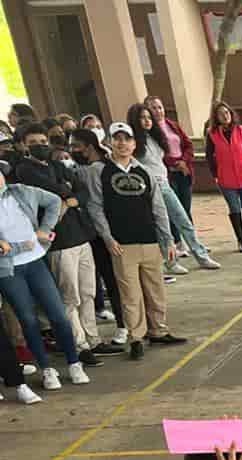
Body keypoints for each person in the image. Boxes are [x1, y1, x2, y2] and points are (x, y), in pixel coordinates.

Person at [82, 121, 182, 362]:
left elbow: (158, 207)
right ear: (108, 142)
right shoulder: (99, 171)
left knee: (155, 289)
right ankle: (136, 337)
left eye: (126, 139)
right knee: (130, 294)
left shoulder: (143, 171)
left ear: (134, 143)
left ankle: (158, 329)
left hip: (149, 240)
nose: (122, 143)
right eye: (117, 139)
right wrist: (107, 237)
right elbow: (95, 207)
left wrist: (166, 239)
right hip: (122, 244)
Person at [12, 121, 104, 365]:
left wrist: (70, 194)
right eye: (33, 143)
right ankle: (78, 344)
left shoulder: (56, 165)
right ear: (23, 146)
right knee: (69, 296)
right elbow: (53, 193)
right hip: (59, 242)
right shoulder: (24, 171)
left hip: (81, 235)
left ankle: (93, 338)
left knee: (88, 292)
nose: (40, 146)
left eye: (43, 142)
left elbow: (81, 190)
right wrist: (67, 191)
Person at [0, 166, 89, 390]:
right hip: (8, 270)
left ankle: (74, 363)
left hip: (36, 261)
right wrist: (21, 245)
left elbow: (54, 202)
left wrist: (45, 228)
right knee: (27, 319)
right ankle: (47, 369)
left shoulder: (20, 191)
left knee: (58, 314)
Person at [128, 102, 218, 270]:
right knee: (163, 226)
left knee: (182, 219)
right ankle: (171, 261)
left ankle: (201, 255)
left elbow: (166, 157)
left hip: (164, 183)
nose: (147, 121)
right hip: (149, 188)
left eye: (149, 117)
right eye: (142, 118)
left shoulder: (155, 137)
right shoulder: (133, 142)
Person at [66, 127, 127, 353]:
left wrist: (105, 236)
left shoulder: (91, 170)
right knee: (118, 281)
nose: (72, 150)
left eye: (76, 146)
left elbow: (94, 206)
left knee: (112, 282)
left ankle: (123, 325)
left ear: (89, 147)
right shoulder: (108, 164)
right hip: (113, 232)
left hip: (102, 235)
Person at [204, 102, 242, 252]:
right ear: (216, 117)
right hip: (226, 179)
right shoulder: (212, 134)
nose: (225, 115)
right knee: (234, 208)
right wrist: (215, 174)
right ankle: (241, 241)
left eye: (227, 112)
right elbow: (209, 156)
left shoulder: (240, 130)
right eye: (221, 113)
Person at [143, 96, 195, 216]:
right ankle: (175, 235)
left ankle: (190, 234)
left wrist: (184, 161)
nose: (158, 111)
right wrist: (175, 163)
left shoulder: (173, 125)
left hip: (184, 172)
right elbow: (157, 153)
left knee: (186, 210)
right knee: (174, 212)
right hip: (168, 175)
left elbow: (188, 145)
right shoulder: (150, 131)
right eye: (154, 108)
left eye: (160, 107)